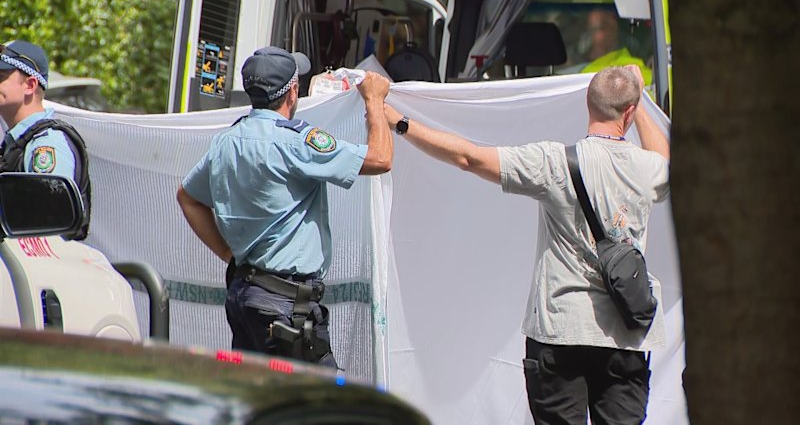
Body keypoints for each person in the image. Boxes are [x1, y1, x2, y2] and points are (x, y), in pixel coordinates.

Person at [384, 65, 669, 424]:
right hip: (624, 337)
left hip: (559, 331)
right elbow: (665, 159)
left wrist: (400, 122)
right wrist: (639, 101)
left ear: (587, 103)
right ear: (628, 112)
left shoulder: (553, 162)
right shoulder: (647, 169)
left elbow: (468, 158)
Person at [177, 47, 392, 368]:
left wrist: (228, 254)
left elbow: (187, 197)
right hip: (285, 307)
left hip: (245, 296)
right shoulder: (296, 141)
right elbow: (380, 158)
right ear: (293, 92)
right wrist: (374, 100)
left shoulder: (227, 140)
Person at [0, 40, 91, 240]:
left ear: (30, 86)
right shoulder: (14, 143)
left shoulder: (46, 145)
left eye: (1, 76)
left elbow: (48, 228)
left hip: (39, 267)